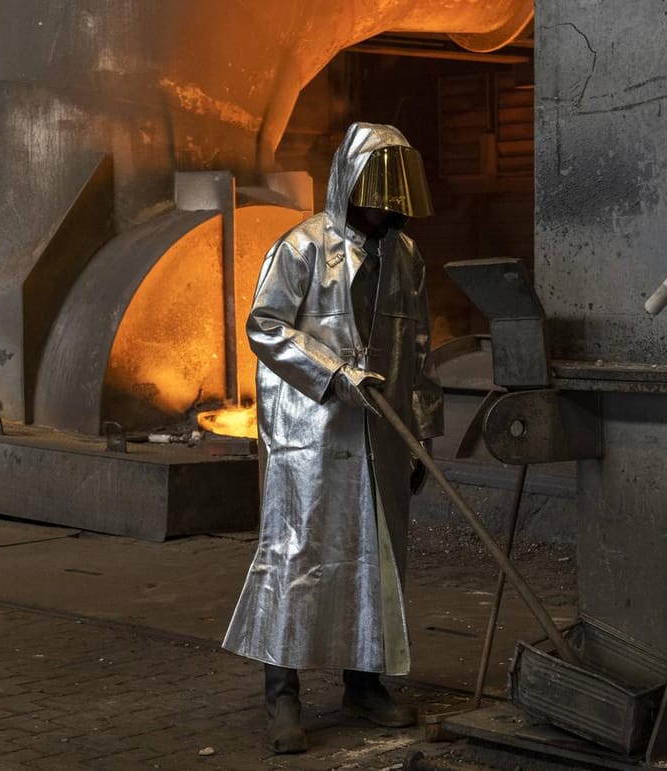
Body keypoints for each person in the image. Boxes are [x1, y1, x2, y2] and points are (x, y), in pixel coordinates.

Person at [222, 122, 445, 754]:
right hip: (313, 435)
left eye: (395, 190)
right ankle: (282, 692)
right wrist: (335, 374)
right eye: (377, 188)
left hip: (384, 434)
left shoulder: (404, 257)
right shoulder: (301, 249)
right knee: (298, 555)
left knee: (378, 557)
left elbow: (418, 347)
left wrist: (422, 428)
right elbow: (264, 327)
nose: (387, 204)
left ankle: (365, 682)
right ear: (351, 184)